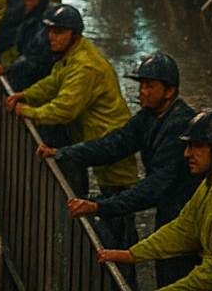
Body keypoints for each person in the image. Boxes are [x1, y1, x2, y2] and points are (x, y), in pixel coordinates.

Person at [39, 52, 200, 286]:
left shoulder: (179, 125)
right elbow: (114, 144)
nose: (141, 91)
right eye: (141, 85)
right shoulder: (149, 116)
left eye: (150, 86)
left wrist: (101, 206)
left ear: (170, 91)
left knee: (179, 277)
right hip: (172, 212)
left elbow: (156, 185)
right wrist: (65, 153)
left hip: (186, 214)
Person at [98, 111, 212, 290]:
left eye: (197, 146)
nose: (186, 153)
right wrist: (133, 254)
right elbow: (184, 228)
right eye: (188, 146)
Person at [5, 4, 138, 195]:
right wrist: (25, 95)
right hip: (96, 136)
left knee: (116, 198)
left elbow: (64, 109)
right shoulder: (73, 55)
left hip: (110, 142)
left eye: (59, 32)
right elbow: (54, 82)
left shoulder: (84, 66)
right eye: (50, 30)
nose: (51, 36)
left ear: (75, 35)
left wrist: (29, 111)